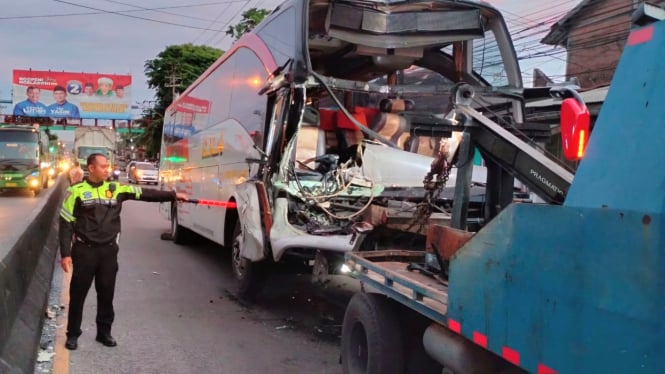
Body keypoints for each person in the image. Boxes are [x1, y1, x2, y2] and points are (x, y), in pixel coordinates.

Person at [58, 153, 188, 350]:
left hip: (108, 252)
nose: (106, 169)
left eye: (107, 166)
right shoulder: (75, 191)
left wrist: (172, 196)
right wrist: (66, 254)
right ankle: (73, 334)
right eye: (102, 166)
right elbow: (66, 224)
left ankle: (104, 333)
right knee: (77, 295)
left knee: (106, 294)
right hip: (84, 251)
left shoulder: (117, 189)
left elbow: (145, 194)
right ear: (91, 168)